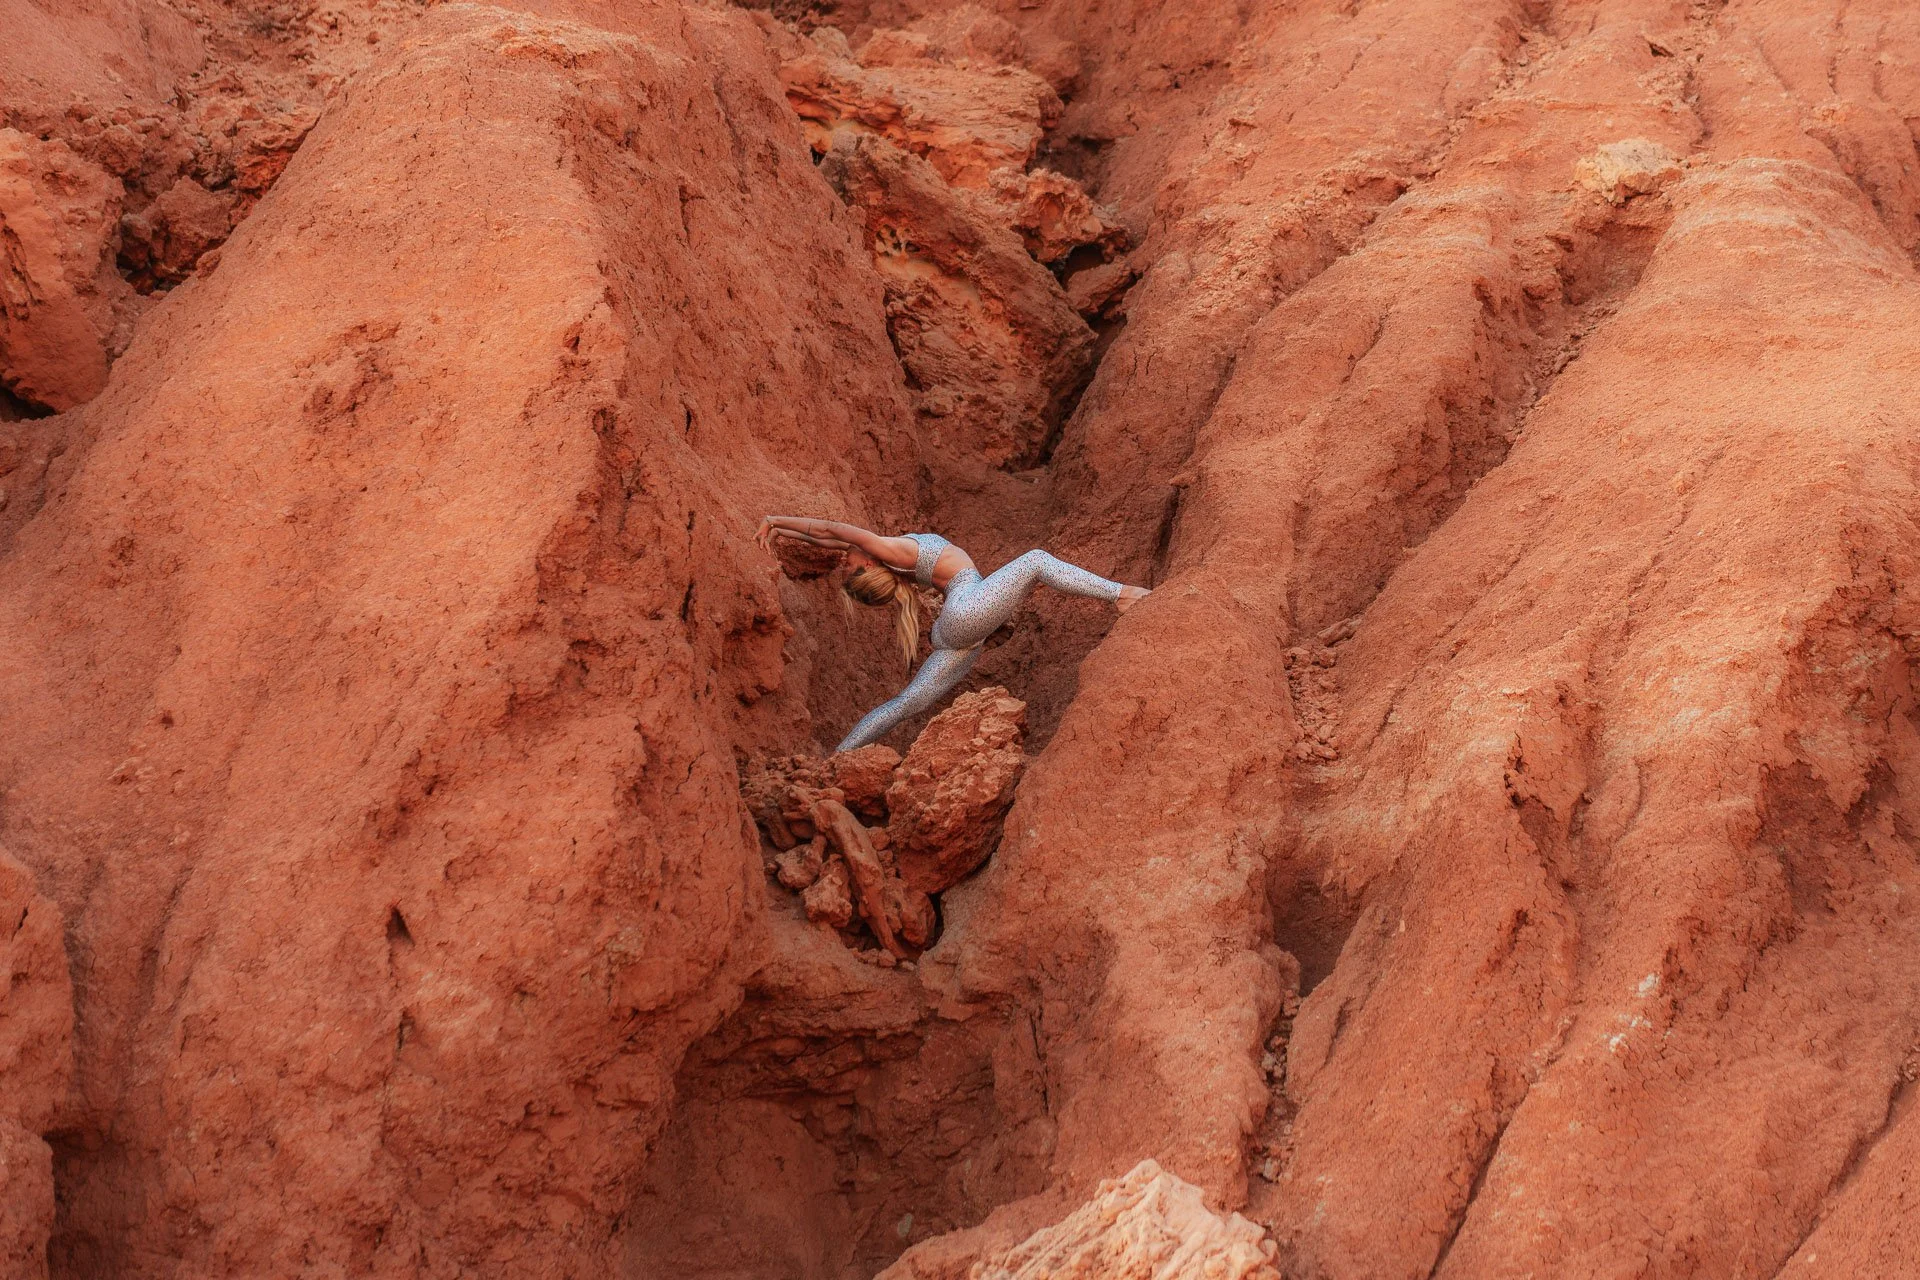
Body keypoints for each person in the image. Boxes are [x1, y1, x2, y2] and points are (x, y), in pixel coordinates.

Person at [754, 515, 1150, 752]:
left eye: (845, 563)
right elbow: (832, 529)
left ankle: (842, 754)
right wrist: (774, 522)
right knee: (1035, 561)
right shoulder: (887, 551)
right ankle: (1122, 595)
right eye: (848, 566)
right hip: (965, 612)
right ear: (867, 564)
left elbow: (827, 536)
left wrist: (782, 529)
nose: (844, 558)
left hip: (961, 630)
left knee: (906, 702)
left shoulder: (889, 553)